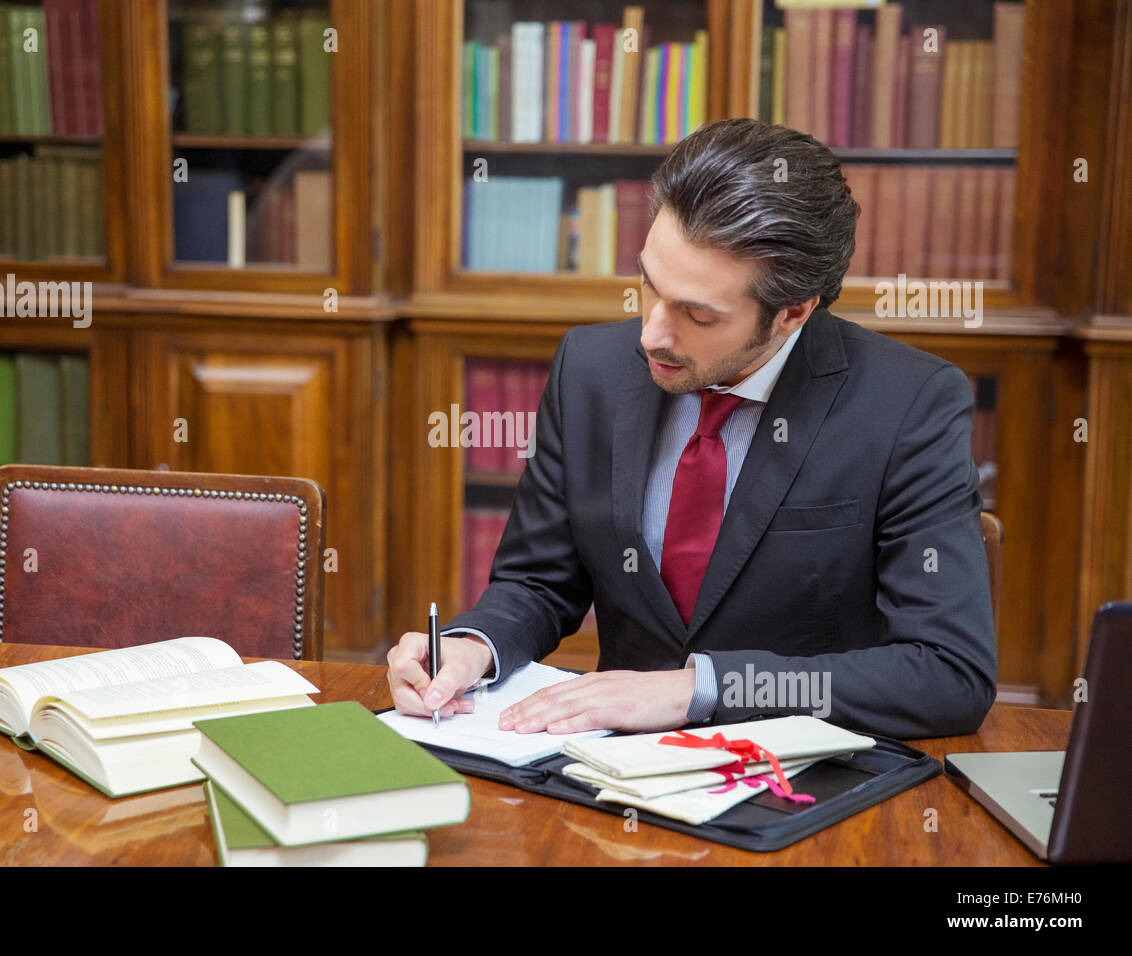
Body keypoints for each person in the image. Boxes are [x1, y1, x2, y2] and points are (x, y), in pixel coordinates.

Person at [386, 118, 996, 740]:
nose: (652, 333)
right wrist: (470, 649)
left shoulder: (907, 405)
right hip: (609, 778)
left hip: (795, 783)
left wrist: (701, 689)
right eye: (650, 284)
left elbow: (947, 673)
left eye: (698, 314)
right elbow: (538, 582)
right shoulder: (590, 369)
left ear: (794, 312)